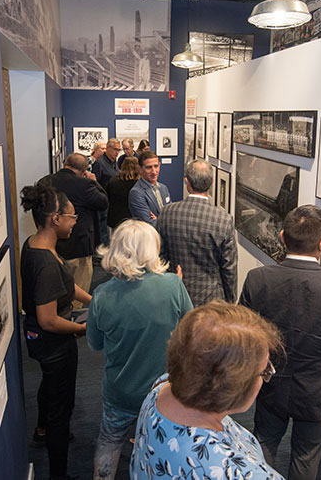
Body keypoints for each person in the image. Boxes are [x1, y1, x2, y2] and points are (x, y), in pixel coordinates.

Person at [240, 205, 321, 480]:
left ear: (282, 237)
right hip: (319, 389)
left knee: (263, 444)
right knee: (306, 455)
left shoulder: (257, 279)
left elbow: (244, 335)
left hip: (270, 383)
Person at [87, 220, 193, 479]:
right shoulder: (172, 285)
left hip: (120, 391)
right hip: (164, 391)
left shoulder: (101, 295)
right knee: (167, 446)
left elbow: (94, 344)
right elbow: (190, 330)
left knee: (110, 440)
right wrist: (174, 288)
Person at [130, 303, 284, 480]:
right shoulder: (234, 473)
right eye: (264, 371)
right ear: (232, 389)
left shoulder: (164, 385)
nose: (267, 376)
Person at [20, 181, 92, 480]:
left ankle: (40, 429)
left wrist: (92, 298)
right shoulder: (46, 262)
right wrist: (79, 328)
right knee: (61, 409)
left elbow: (65, 283)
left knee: (49, 387)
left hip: (42, 339)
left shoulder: (34, 243)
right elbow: (49, 319)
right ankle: (59, 473)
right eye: (72, 216)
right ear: (56, 218)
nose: (75, 222)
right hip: (53, 342)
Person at [157, 159, 237, 304]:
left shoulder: (166, 213)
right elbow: (229, 268)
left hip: (175, 292)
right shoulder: (224, 219)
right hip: (210, 297)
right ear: (212, 182)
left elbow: (160, 257)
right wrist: (230, 301)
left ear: (187, 182)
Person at [39, 153, 109, 298]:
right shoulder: (85, 184)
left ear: (65, 164)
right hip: (79, 246)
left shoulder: (44, 182)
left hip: (51, 246)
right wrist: (95, 182)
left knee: (53, 290)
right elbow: (103, 203)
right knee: (78, 291)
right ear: (84, 170)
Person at [128, 151, 170, 227]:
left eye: (156, 166)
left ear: (159, 165)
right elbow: (149, 224)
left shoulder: (164, 188)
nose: (154, 171)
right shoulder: (136, 193)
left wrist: (158, 219)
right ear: (140, 169)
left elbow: (171, 214)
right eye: (149, 167)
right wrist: (166, 221)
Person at [92, 138, 121, 246]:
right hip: (104, 202)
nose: (117, 152)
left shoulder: (114, 162)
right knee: (103, 233)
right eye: (115, 149)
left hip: (113, 202)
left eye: (119, 150)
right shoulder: (99, 163)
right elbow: (95, 184)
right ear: (107, 148)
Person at [105, 157, 140, 230]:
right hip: (133, 220)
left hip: (115, 219)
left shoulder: (113, 180)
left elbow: (108, 198)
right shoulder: (139, 183)